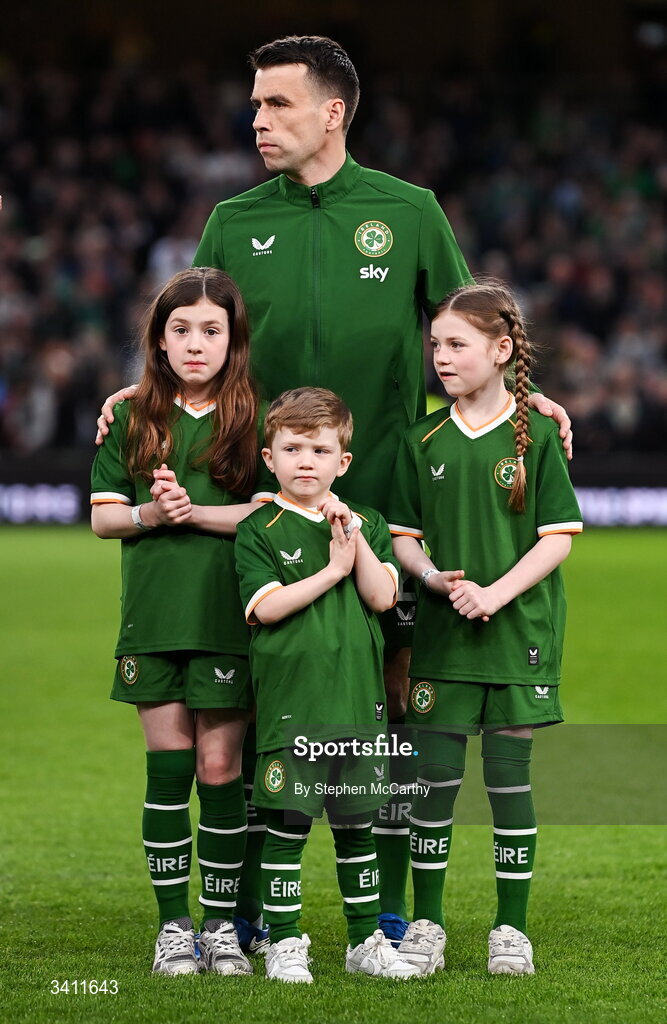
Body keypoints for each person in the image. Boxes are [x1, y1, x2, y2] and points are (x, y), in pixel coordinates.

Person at [95, 34, 574, 941]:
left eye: (276, 104)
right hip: (258, 510)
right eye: (254, 105)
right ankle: (238, 915)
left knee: (389, 714)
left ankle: (389, 914)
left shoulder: (408, 209)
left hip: (386, 506)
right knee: (243, 711)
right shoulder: (235, 220)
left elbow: (469, 331)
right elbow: (192, 327)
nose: (257, 121)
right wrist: (141, 384)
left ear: (332, 112)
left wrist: (526, 394)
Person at [387, 281, 582, 976]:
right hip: (442, 636)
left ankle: (510, 930)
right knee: (432, 788)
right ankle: (427, 924)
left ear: (501, 351)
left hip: (517, 631)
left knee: (508, 785)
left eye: (457, 345)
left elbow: (557, 536)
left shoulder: (534, 435)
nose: (441, 357)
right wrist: (434, 579)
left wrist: (494, 594)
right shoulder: (424, 438)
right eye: (435, 344)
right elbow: (403, 537)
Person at [90, 267, 268, 976]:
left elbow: (271, 509)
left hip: (229, 618)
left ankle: (222, 927)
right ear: (159, 342)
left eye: (211, 331)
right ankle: (174, 928)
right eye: (181, 330)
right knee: (167, 771)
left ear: (234, 340)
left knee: (220, 766)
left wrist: (191, 514)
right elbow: (104, 518)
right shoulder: (133, 416)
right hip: (154, 621)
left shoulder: (254, 415)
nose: (196, 344)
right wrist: (149, 514)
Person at [234, 387, 420, 981]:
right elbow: (266, 608)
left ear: (343, 461)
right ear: (270, 458)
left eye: (320, 449)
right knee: (286, 827)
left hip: (358, 710)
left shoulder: (366, 523)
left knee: (356, 830)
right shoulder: (258, 528)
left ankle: (365, 943)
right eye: (292, 448)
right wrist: (331, 569)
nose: (305, 460)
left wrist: (354, 539)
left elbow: (383, 596)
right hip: (294, 710)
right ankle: (285, 942)